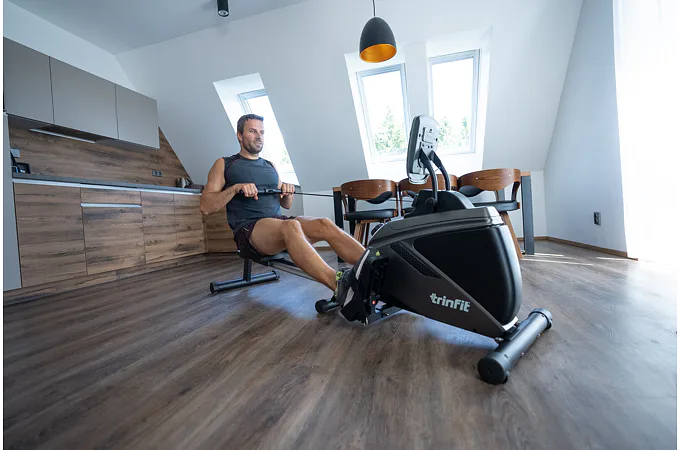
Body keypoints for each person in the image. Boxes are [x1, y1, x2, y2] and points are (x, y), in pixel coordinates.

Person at [200, 113, 365, 303]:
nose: (259, 136)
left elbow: (286, 204)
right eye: (252, 131)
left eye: (262, 132)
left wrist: (288, 192)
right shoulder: (225, 164)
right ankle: (339, 285)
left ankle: (372, 267)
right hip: (249, 230)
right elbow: (206, 206)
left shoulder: (269, 165)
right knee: (291, 226)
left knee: (324, 223)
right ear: (239, 135)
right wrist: (235, 188)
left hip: (279, 224)